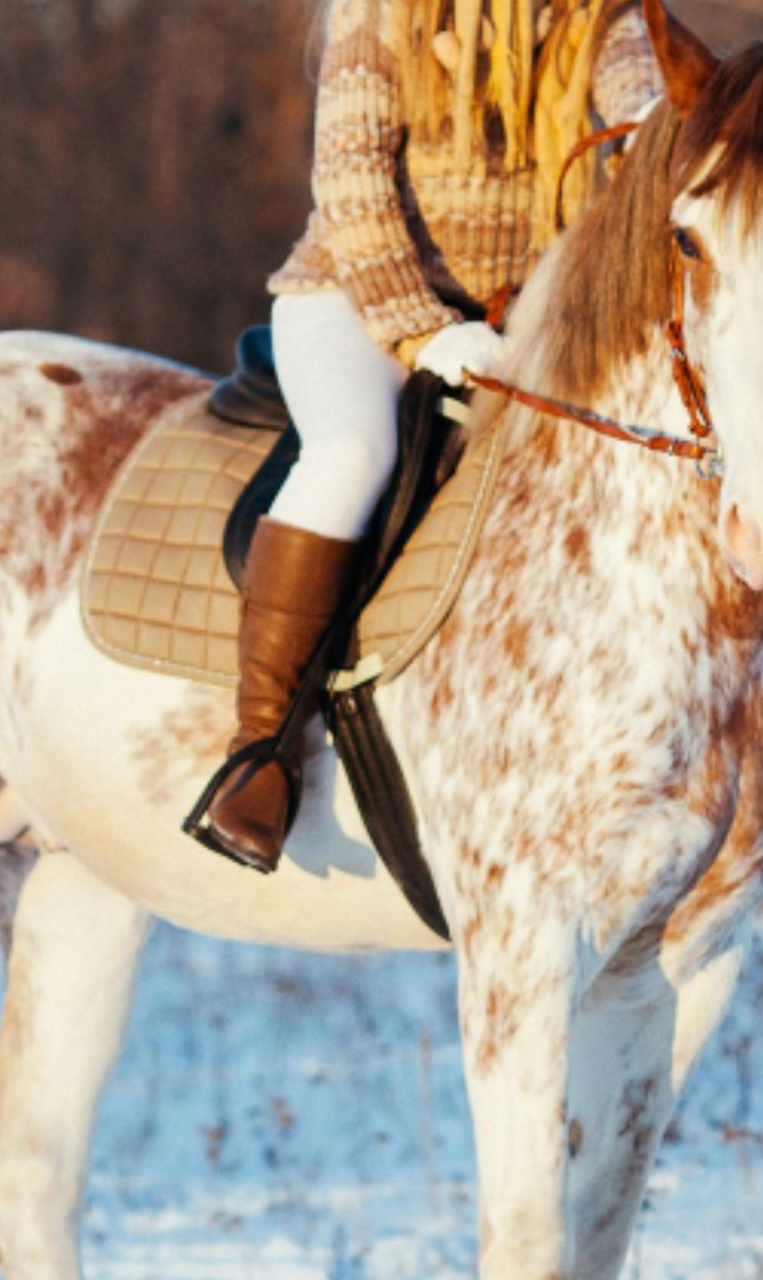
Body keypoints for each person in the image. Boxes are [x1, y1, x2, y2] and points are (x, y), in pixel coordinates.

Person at [202, 0, 663, 872]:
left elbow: (645, 95)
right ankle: (258, 753)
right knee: (352, 455)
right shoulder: (379, 11)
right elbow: (353, 186)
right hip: (355, 294)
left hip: (522, 317)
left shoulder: (603, 14)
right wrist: (420, 330)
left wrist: (669, 141)